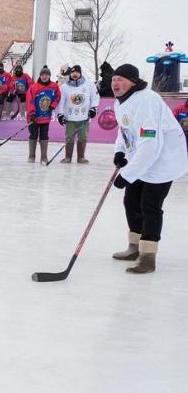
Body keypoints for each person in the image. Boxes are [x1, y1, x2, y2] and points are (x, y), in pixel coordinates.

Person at [109, 63, 187, 274]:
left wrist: (127, 175)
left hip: (163, 161)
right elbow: (124, 130)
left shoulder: (146, 100)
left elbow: (150, 144)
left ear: (133, 82)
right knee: (131, 200)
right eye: (114, 79)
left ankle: (148, 257)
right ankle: (134, 247)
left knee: (150, 205)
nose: (116, 83)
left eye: (121, 79)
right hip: (142, 159)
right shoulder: (122, 102)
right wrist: (120, 151)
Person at [56, 64, 99, 164]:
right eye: (73, 72)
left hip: (84, 117)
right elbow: (61, 102)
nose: (75, 74)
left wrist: (94, 109)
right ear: (70, 73)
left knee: (83, 137)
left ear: (80, 73)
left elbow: (96, 98)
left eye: (77, 72)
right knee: (69, 137)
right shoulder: (64, 86)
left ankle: (81, 157)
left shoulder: (89, 84)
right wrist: (60, 114)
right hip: (69, 117)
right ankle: (68, 157)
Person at [25, 66, 60, 163]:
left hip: (45, 117)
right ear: (40, 76)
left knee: (44, 136)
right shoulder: (34, 87)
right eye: (42, 75)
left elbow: (58, 97)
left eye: (46, 75)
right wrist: (32, 114)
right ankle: (32, 156)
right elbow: (29, 101)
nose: (44, 77)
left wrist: (53, 105)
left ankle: (44, 157)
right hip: (34, 117)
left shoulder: (54, 86)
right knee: (33, 135)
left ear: (49, 76)